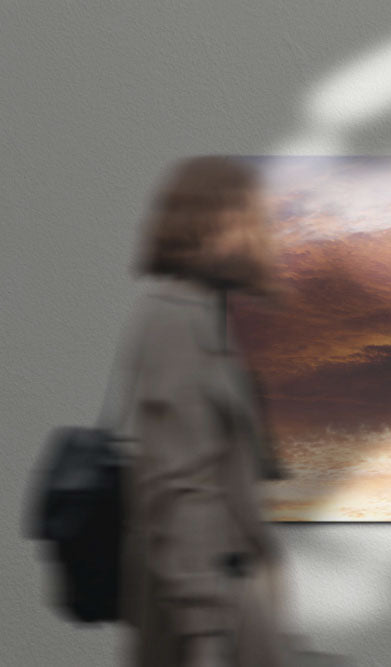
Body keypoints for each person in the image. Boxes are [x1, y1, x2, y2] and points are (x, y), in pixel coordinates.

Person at [120, 156, 287, 666]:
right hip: (211, 606)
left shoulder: (198, 311)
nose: (263, 228)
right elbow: (181, 484)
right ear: (213, 221)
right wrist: (206, 636)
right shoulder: (177, 320)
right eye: (250, 215)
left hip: (222, 595)